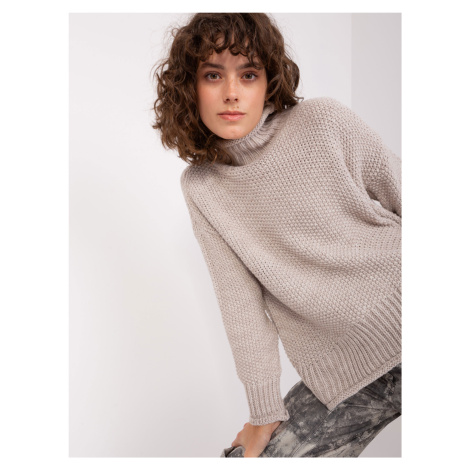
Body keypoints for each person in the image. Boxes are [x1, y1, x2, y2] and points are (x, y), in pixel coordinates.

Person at [151, 13, 401, 458]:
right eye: (213, 75)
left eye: (248, 74)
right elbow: (241, 306)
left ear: (269, 83)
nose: (232, 92)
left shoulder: (323, 121)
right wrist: (263, 412)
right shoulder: (203, 187)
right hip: (347, 370)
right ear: (190, 87)